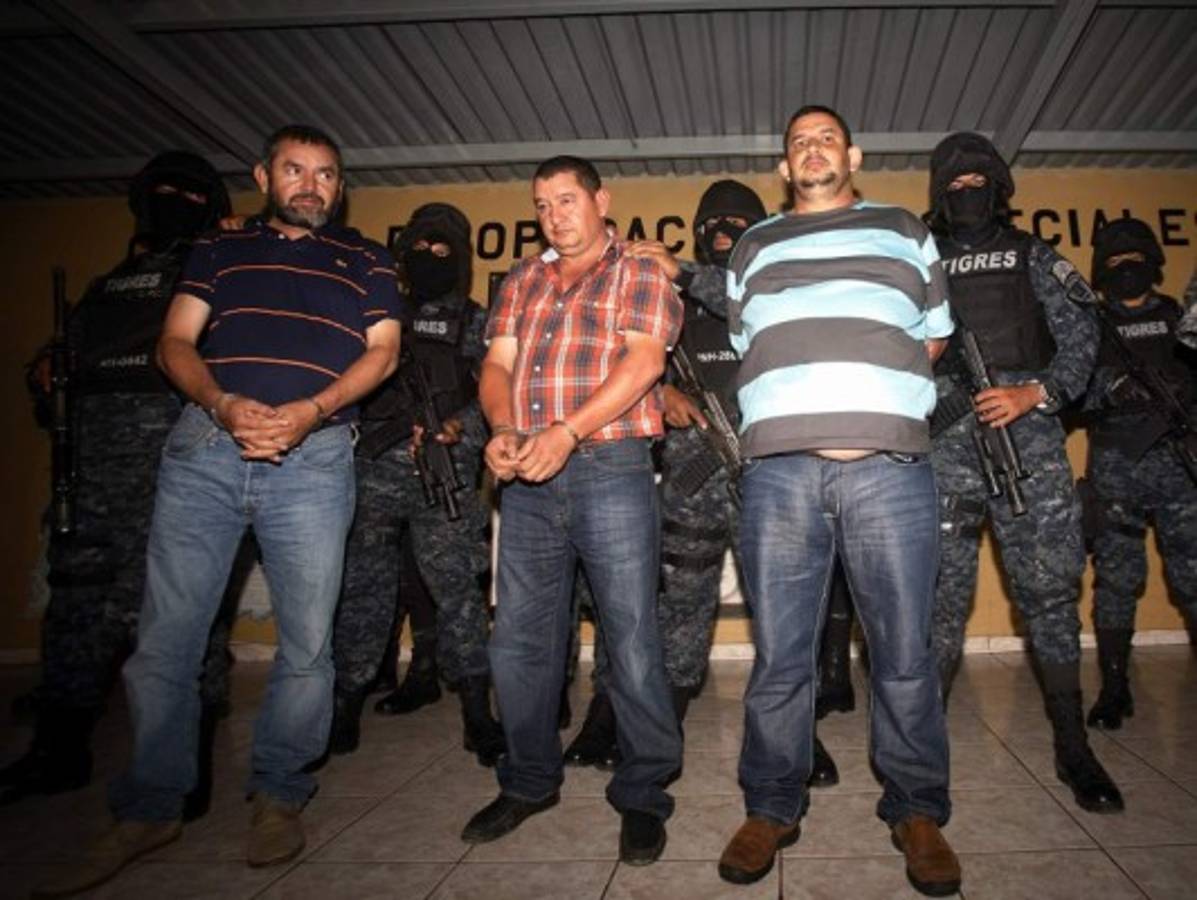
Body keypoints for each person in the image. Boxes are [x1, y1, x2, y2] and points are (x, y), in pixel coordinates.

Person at [36, 124, 402, 898]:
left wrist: (310, 409)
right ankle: (150, 807)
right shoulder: (218, 249)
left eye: (326, 175)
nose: (310, 185)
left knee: (308, 642)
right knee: (166, 638)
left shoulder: (367, 259)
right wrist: (222, 402)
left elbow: (383, 352)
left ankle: (279, 793)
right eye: (295, 170)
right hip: (205, 450)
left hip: (315, 457)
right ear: (264, 177)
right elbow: (175, 342)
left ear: (340, 188)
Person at [718, 106, 959, 896]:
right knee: (780, 655)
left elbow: (931, 337)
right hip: (779, 474)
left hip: (889, 471)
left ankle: (916, 810)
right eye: (798, 142)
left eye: (825, 138)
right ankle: (770, 805)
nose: (812, 149)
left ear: (852, 154)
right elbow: (749, 341)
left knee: (903, 653)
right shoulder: (752, 246)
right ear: (783, 167)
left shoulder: (905, 229)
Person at [567, 180, 840, 787]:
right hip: (693, 479)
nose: (722, 232)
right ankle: (659, 727)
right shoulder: (663, 291)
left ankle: (799, 733)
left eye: (737, 223)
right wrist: (660, 390)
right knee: (678, 608)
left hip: (768, 471)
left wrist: (687, 273)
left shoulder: (771, 287)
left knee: (784, 610)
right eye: (711, 223)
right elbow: (613, 358)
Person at [461, 155, 683, 866]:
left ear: (600, 201)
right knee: (519, 640)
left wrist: (566, 432)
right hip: (527, 474)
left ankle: (643, 791)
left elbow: (644, 364)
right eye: (542, 204)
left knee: (631, 638)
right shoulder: (523, 279)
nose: (554, 215)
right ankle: (528, 780)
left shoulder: (638, 271)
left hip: (610, 466)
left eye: (566, 199)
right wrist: (504, 429)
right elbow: (497, 365)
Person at [0, 152, 235, 813]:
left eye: (191, 195)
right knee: (73, 614)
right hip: (92, 474)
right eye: (163, 191)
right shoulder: (109, 287)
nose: (174, 202)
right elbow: (57, 365)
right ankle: (58, 749)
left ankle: (183, 764)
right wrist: (45, 372)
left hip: (178, 472)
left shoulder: (220, 276)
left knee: (184, 618)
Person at [924, 132, 1123, 815]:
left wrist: (1035, 393)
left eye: (977, 182)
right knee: (936, 601)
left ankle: (1072, 745)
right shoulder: (920, 261)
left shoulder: (1032, 254)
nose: (966, 193)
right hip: (944, 444)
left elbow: (1083, 337)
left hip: (1027, 439)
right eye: (953, 186)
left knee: (1048, 593)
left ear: (999, 189)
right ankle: (921, 751)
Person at [329, 202, 503, 764]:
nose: (431, 258)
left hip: (443, 472)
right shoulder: (378, 313)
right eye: (421, 248)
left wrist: (459, 430)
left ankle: (477, 709)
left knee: (459, 593)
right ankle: (345, 701)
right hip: (374, 471)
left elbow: (496, 392)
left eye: (443, 249)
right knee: (362, 590)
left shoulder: (476, 321)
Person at [1082, 217, 1197, 728]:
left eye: (1135, 259)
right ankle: (1115, 687)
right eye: (1115, 261)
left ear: (1154, 263)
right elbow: (1068, 387)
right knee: (1116, 580)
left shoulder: (1181, 319)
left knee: (1192, 575)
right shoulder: (1091, 324)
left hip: (1179, 465)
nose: (1126, 269)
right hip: (1117, 467)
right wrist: (1109, 387)